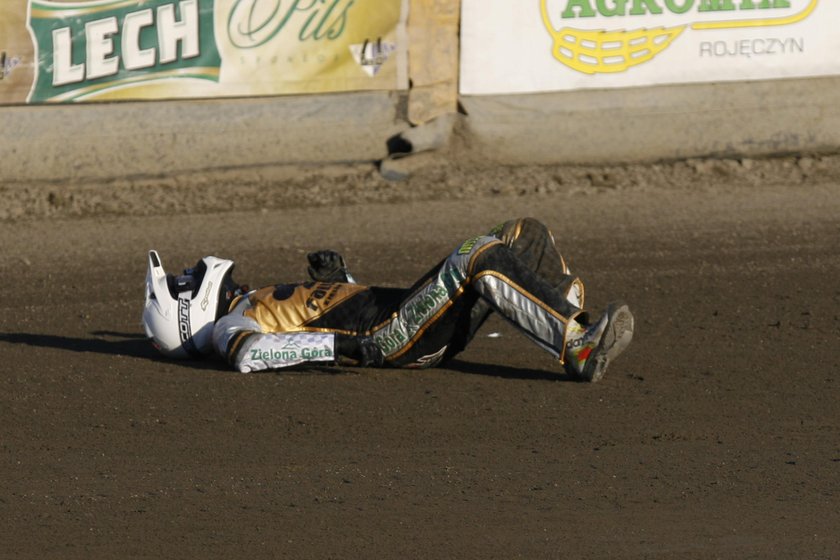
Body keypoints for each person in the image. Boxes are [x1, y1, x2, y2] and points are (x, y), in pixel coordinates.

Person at [142, 218, 634, 381]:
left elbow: (346, 308)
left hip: (400, 318)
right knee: (476, 255)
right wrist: (342, 350)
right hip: (390, 336)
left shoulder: (250, 301)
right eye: (184, 280)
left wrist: (342, 276)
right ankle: (576, 343)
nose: (193, 272)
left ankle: (565, 317)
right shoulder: (230, 328)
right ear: (185, 311)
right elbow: (253, 355)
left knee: (521, 234)